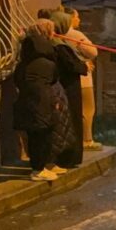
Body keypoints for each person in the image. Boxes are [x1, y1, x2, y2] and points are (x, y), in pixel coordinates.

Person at [13, 20, 62, 182]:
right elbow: (54, 79)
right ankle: (39, 169)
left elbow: (17, 79)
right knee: (43, 135)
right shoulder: (48, 61)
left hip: (27, 99)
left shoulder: (24, 61)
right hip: (44, 100)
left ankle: (38, 167)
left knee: (34, 134)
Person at [51, 11, 88, 169]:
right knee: (70, 122)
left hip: (66, 87)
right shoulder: (59, 45)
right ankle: (69, 157)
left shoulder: (60, 42)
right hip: (68, 88)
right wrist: (84, 66)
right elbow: (72, 65)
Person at [62, 7, 101, 151]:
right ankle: (87, 139)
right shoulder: (75, 34)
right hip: (83, 79)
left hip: (66, 79)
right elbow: (92, 51)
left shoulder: (58, 35)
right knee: (87, 110)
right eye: (77, 17)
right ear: (70, 18)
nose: (79, 20)